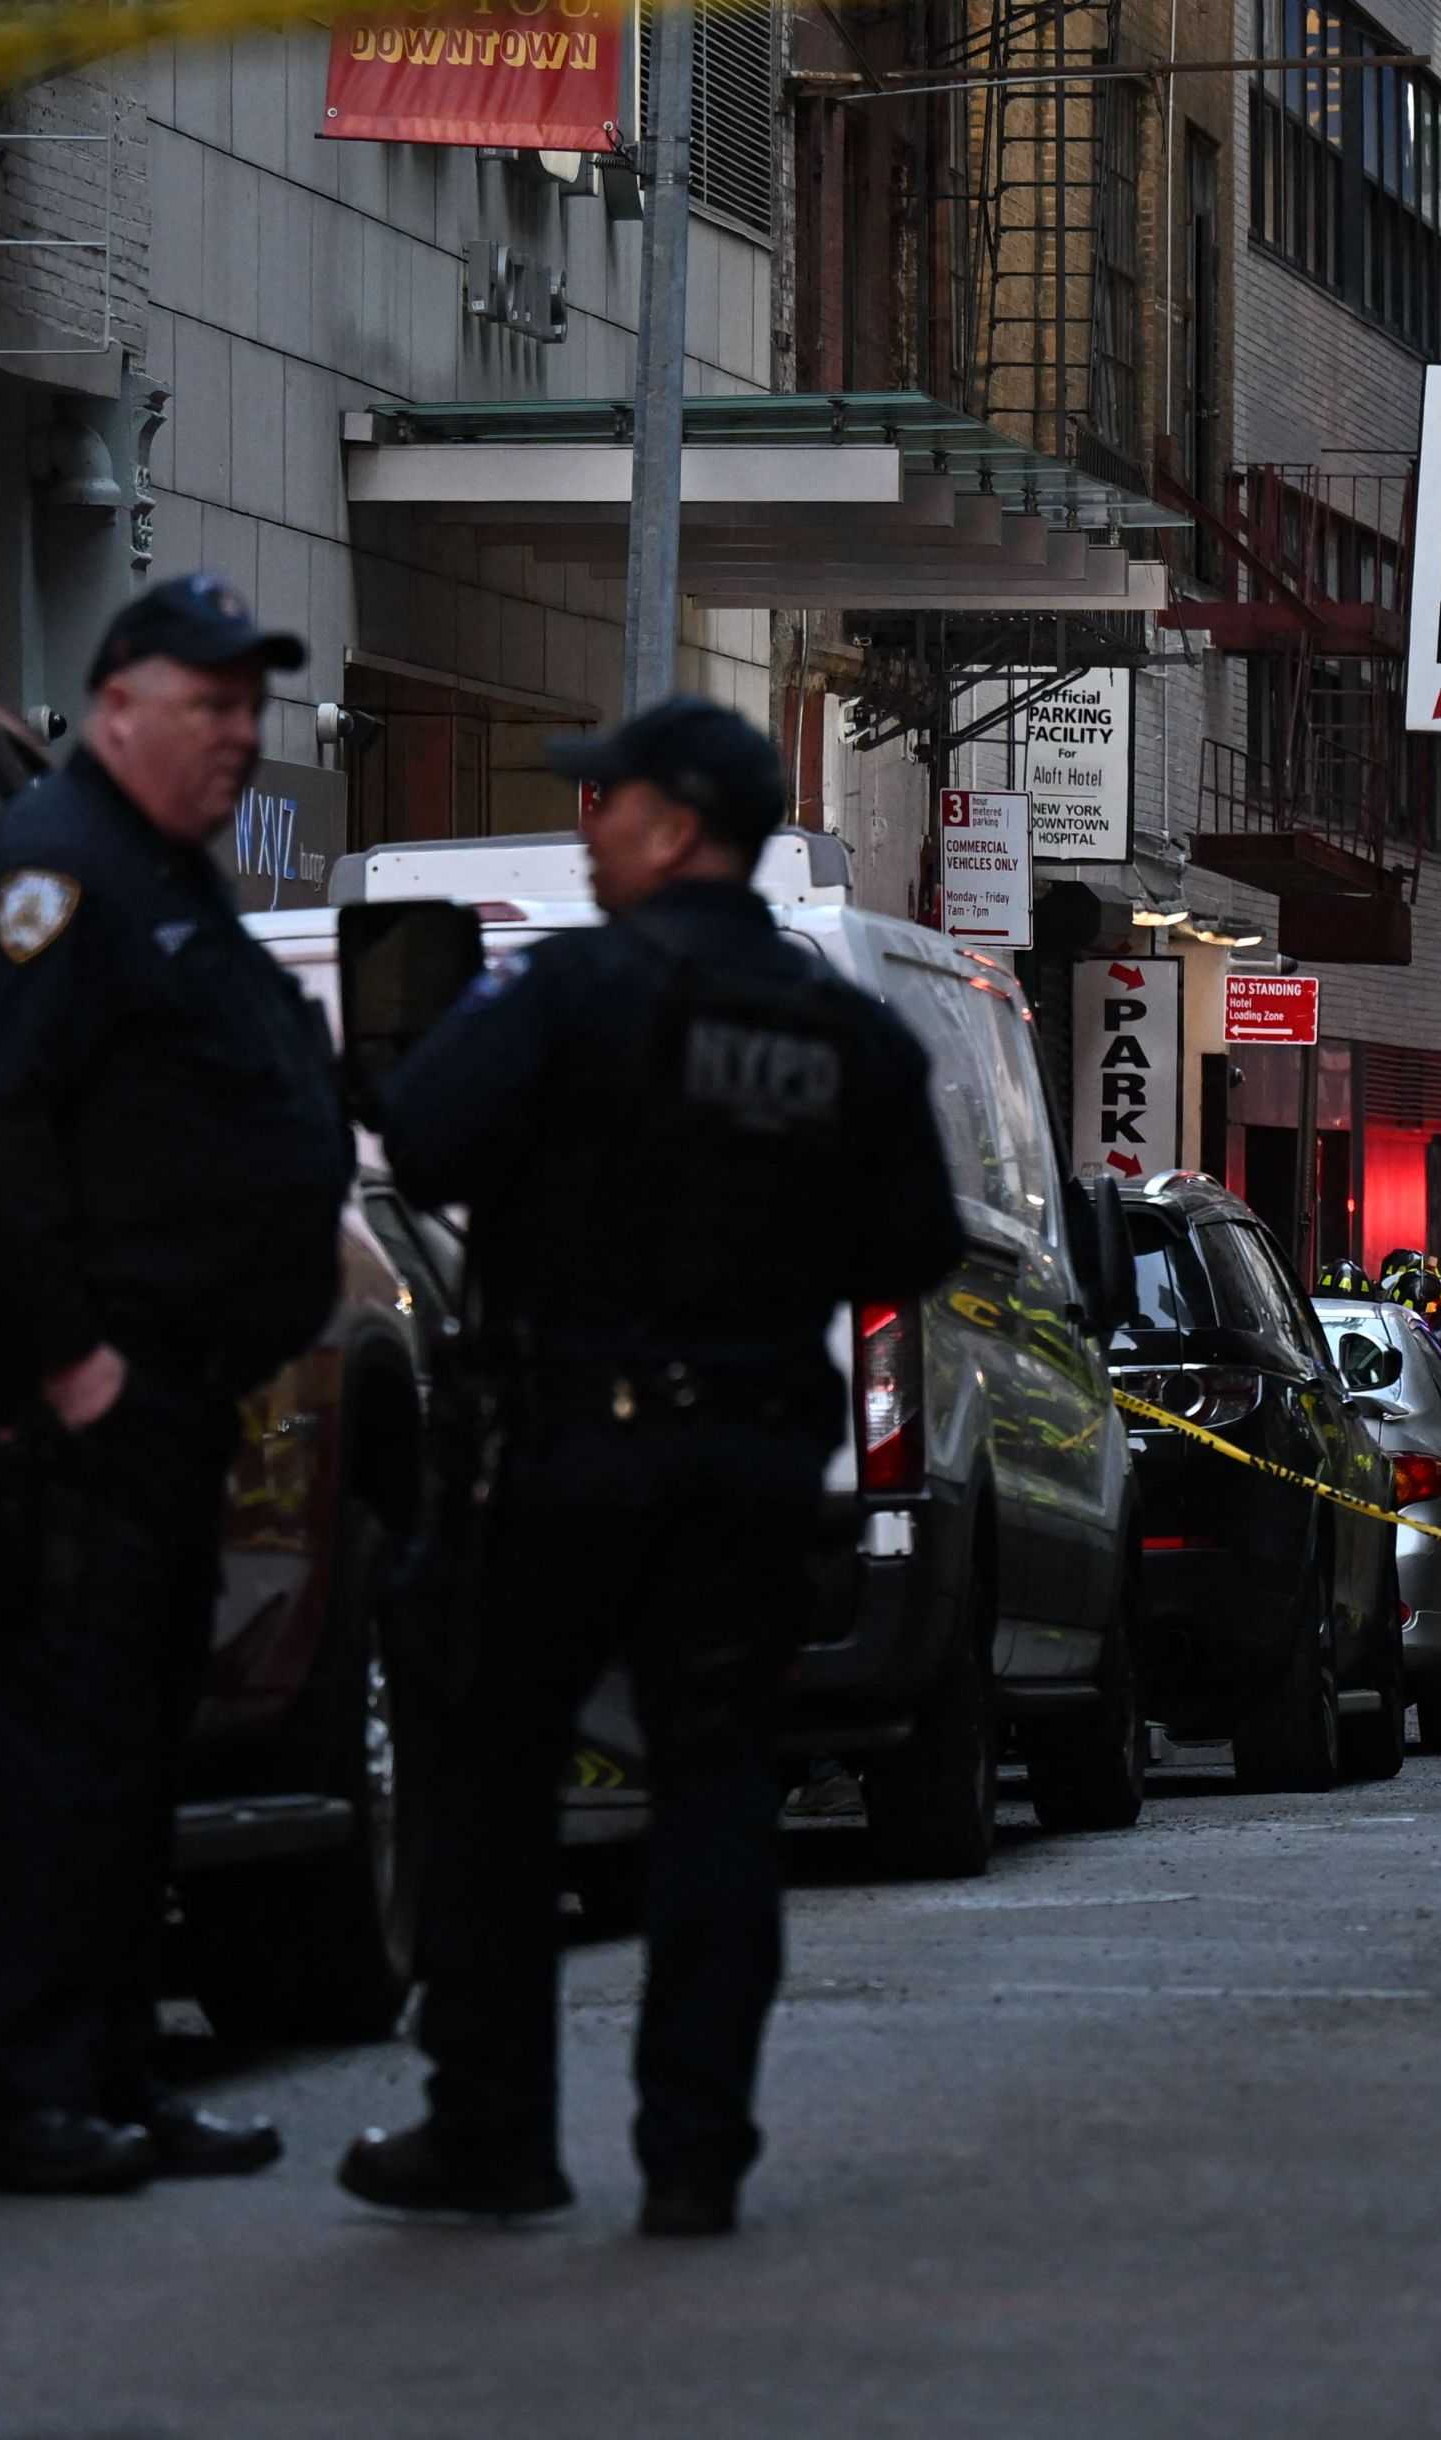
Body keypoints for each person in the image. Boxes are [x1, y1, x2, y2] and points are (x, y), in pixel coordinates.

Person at [339, 696, 958, 2236]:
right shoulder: (850, 1036)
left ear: (677, 825)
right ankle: (695, 2154)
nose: (586, 826)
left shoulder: (573, 989)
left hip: (563, 1456)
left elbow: (420, 1145)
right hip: (750, 1462)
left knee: (490, 1783)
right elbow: (914, 1249)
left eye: (602, 802)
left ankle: (490, 2127)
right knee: (717, 1791)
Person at [0, 572, 350, 2196]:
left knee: (136, 1748)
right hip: (88, 1402)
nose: (242, 735)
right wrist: (74, 1360)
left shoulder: (162, 871)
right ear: (119, 703)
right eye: (212, 703)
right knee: (66, 1751)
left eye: (254, 707)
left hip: (178, 1392)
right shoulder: (54, 868)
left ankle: (112, 2063)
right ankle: (32, 2088)